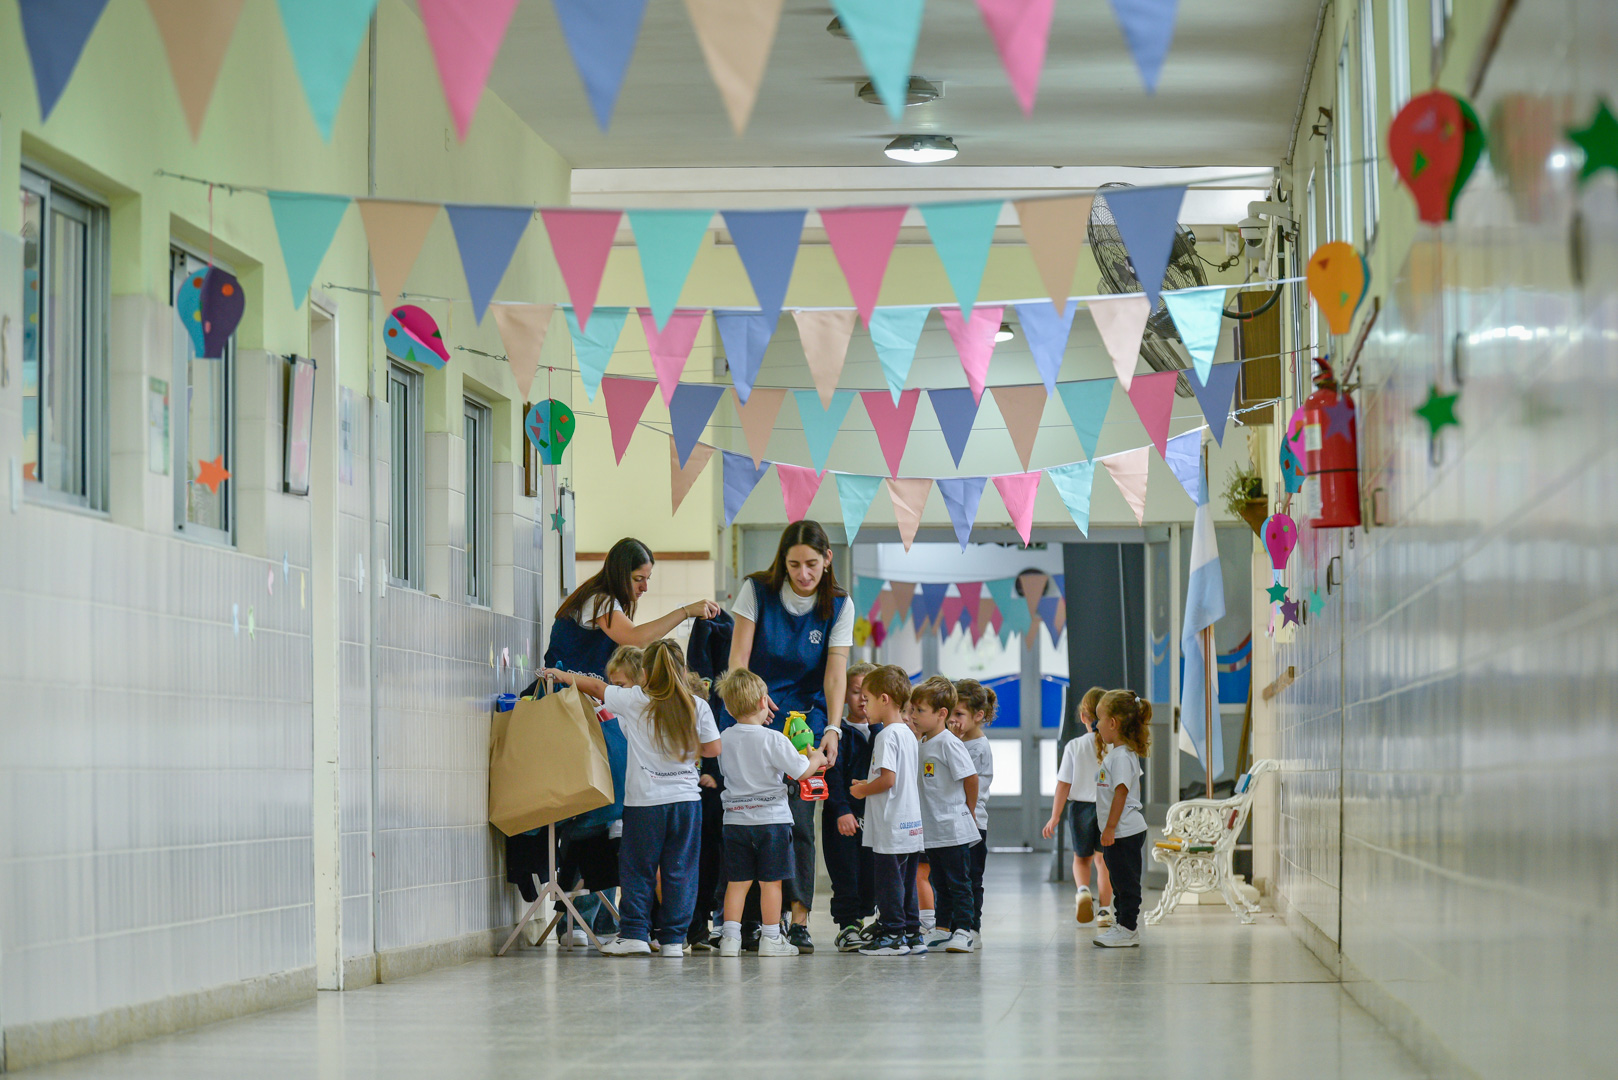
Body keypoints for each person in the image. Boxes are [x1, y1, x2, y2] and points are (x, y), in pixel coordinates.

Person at [509, 538, 720, 910]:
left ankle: (591, 899)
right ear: (621, 574)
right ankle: (562, 878)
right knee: (602, 800)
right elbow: (634, 638)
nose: (645, 587)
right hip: (560, 706)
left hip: (582, 707)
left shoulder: (606, 606)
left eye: (648, 579)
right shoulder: (599, 601)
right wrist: (686, 611)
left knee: (606, 804)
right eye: (639, 579)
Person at [543, 640, 721, 957]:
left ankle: (635, 933)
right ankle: (673, 940)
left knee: (638, 869)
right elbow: (712, 749)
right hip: (686, 801)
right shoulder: (696, 705)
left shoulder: (637, 699)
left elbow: (596, 687)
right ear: (682, 671)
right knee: (680, 871)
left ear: (645, 673)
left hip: (645, 803)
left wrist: (560, 675)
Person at [726, 520, 851, 953]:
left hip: (804, 723)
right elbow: (738, 660)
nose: (803, 573)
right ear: (783, 561)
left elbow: (835, 674)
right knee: (751, 819)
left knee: (797, 822)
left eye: (812, 564)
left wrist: (832, 727)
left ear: (827, 559)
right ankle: (758, 922)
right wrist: (750, 702)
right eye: (794, 565)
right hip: (755, 715)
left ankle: (798, 919)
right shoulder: (756, 590)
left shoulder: (839, 604)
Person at [713, 668, 827, 958]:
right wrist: (815, 758)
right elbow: (802, 772)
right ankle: (772, 938)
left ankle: (730, 939)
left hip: (735, 821)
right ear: (764, 702)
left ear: (728, 708)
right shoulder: (774, 739)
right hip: (772, 822)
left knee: (737, 883)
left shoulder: (724, 738)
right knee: (771, 882)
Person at [851, 666, 924, 956]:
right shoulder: (907, 733)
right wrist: (868, 784)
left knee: (888, 882)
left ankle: (893, 934)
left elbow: (888, 780)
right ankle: (912, 932)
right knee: (906, 882)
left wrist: (862, 791)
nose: (863, 705)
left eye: (867, 699)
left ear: (884, 699)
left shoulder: (885, 735)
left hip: (891, 825)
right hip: (910, 824)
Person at [911, 678, 979, 954]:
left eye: (920, 710)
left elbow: (971, 778)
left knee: (958, 882)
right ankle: (942, 929)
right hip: (932, 830)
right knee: (939, 881)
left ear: (941, 714)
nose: (914, 716)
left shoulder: (949, 743)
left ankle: (964, 929)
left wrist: (968, 810)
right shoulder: (922, 742)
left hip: (953, 828)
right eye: (912, 709)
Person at [1042, 687, 1114, 929]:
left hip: (1080, 810)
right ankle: (1104, 911)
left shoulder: (1074, 746)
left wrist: (1055, 816)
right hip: (1107, 809)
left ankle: (1083, 890)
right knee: (1103, 862)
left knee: (1081, 859)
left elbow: (1063, 784)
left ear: (1083, 717)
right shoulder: (1115, 745)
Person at [824, 662, 879, 952]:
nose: (863, 699)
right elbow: (832, 777)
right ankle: (847, 925)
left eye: (869, 693)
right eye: (856, 691)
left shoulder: (884, 731)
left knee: (872, 875)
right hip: (843, 818)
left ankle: (865, 920)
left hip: (876, 818)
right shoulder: (838, 734)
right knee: (846, 873)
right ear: (844, 694)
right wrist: (842, 810)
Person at [1093, 689, 1152, 949]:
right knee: (1118, 881)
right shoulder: (1119, 754)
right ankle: (1122, 925)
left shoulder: (1121, 757)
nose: (1096, 725)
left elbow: (1121, 793)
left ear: (1113, 723)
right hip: (1120, 831)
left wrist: (1110, 828)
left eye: (1100, 719)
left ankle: (1128, 929)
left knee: (1126, 883)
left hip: (1124, 831)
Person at [951, 679, 996, 947]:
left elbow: (964, 780)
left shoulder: (977, 747)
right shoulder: (957, 740)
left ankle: (971, 927)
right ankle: (953, 925)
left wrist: (952, 742)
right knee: (952, 877)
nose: (952, 720)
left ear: (978, 716)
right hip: (953, 821)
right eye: (950, 713)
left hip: (973, 822)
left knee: (971, 878)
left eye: (959, 714)